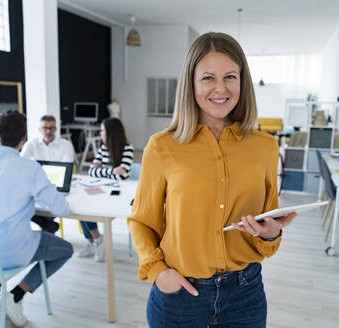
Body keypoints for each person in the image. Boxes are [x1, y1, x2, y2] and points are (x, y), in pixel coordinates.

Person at [127, 32, 297, 328]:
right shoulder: (162, 146)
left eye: (230, 76)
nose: (220, 89)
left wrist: (270, 233)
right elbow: (142, 221)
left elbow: (268, 223)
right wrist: (158, 272)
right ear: (191, 83)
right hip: (179, 294)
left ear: (242, 82)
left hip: (246, 294)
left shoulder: (265, 147)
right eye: (208, 78)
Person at [0, 110, 74, 327]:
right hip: (12, 251)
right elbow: (63, 210)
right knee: (65, 249)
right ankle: (15, 296)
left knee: (0, 233)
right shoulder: (29, 169)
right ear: (24, 138)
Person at [77, 117, 134, 262]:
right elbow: (91, 172)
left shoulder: (128, 149)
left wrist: (102, 171)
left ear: (110, 132)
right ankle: (94, 240)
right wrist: (112, 171)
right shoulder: (103, 149)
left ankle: (97, 240)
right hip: (101, 189)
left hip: (119, 194)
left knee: (87, 209)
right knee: (82, 208)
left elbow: (121, 177)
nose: (100, 133)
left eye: (102, 130)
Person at [21, 115, 75, 233]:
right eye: (45, 128)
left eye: (51, 128)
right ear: (39, 129)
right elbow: (21, 163)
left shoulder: (65, 145)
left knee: (49, 206)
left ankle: (46, 231)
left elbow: (67, 169)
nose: (48, 131)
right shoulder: (32, 144)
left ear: (56, 129)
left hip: (56, 185)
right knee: (21, 206)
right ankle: (47, 228)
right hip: (36, 186)